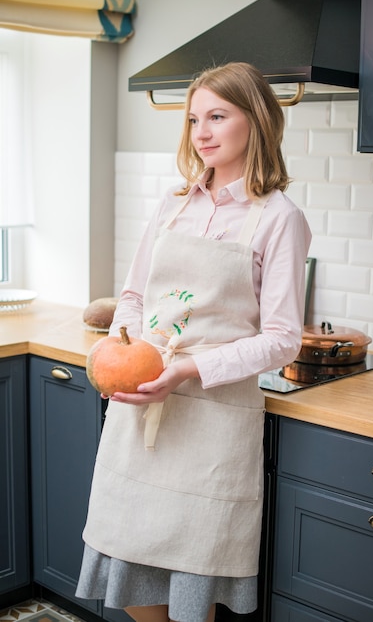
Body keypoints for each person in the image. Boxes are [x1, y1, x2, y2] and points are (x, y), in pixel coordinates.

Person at [76, 61, 311, 622]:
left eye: (217, 116)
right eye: (192, 119)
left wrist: (185, 371)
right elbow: (133, 297)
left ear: (254, 121)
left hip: (211, 421)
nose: (200, 132)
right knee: (132, 584)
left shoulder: (279, 218)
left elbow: (282, 341)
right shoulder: (173, 203)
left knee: (190, 600)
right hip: (141, 417)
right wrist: (118, 352)